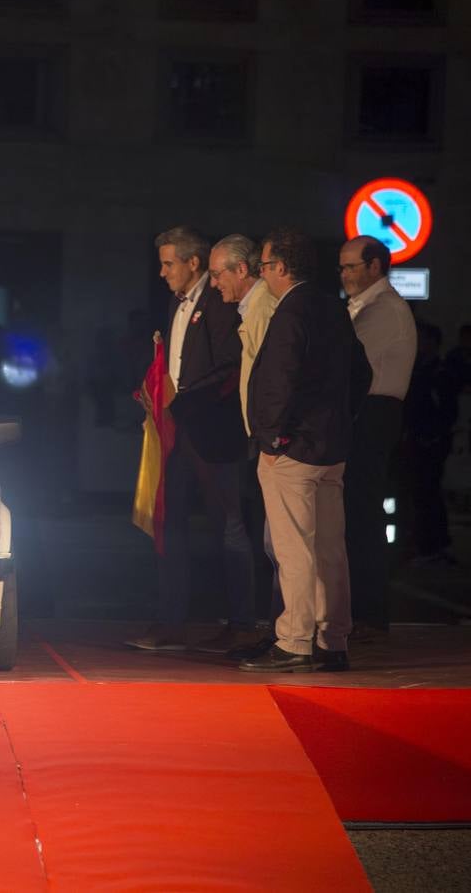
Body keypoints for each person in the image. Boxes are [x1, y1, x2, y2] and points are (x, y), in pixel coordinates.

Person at [241, 229, 371, 673]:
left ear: (280, 268)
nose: (262, 274)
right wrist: (341, 419)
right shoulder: (332, 308)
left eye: (263, 266)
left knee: (295, 547)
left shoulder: (291, 311)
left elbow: (278, 379)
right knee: (332, 548)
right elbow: (362, 372)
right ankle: (333, 640)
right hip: (331, 446)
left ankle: (294, 639)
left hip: (293, 448)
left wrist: (272, 438)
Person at [126, 227, 255, 654]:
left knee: (230, 526)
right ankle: (171, 622)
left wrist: (185, 401)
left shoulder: (219, 302)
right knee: (169, 523)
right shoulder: (176, 304)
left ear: (193, 263)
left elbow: (229, 367)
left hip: (213, 431)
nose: (162, 273)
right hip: (178, 431)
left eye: (168, 263)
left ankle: (241, 624)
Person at [208, 233, 282, 659]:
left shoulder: (263, 310)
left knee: (280, 543)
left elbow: (272, 380)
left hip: (272, 440)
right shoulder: (250, 309)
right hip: (262, 439)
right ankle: (279, 631)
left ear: (243, 270)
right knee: (272, 540)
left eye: (218, 274)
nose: (214, 283)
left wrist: (267, 435)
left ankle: (284, 634)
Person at [339, 235, 416, 641]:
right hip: (367, 412)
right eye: (343, 267)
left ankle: (370, 613)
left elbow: (347, 361)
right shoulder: (365, 306)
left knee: (363, 513)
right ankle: (362, 611)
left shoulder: (385, 308)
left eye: (352, 266)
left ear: (375, 267)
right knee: (356, 513)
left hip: (374, 412)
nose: (345, 274)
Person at [402, 322, 459, 566]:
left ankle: (434, 545)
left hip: (431, 441)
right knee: (421, 493)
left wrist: (433, 436)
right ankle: (428, 543)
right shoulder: (418, 370)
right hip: (417, 438)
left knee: (429, 492)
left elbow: (447, 410)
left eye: (423, 340)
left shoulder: (439, 373)